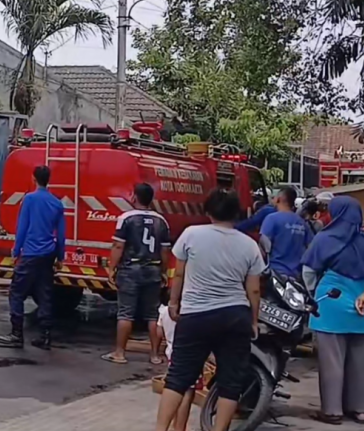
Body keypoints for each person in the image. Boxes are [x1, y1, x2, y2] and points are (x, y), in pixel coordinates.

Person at [155, 188, 265, 431]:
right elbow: (254, 290)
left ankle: (161, 428)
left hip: (196, 315)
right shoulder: (249, 245)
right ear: (237, 213)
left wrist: (174, 304)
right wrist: (254, 321)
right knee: (230, 381)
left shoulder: (191, 235)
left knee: (178, 378)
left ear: (208, 211)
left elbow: (180, 274)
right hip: (235, 316)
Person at [302, 196, 364, 425]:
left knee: (332, 361)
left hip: (330, 304)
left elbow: (308, 273)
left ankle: (333, 411)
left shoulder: (324, 239)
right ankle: (362, 410)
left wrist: (312, 295)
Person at [0, 165, 65, 350]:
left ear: (33, 178)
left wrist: (16, 251)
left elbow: (22, 227)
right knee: (45, 295)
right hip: (48, 254)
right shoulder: (57, 203)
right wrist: (60, 256)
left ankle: (17, 334)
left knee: (17, 293)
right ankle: (45, 336)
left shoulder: (29, 199)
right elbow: (62, 234)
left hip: (31, 253)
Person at [103, 182, 171, 365]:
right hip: (153, 270)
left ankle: (119, 353)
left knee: (125, 313)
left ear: (134, 197)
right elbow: (165, 250)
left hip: (130, 269)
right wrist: (163, 271)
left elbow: (118, 245)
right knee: (152, 315)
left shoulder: (126, 218)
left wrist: (111, 268)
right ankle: (155, 355)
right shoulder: (161, 221)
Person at [156, 304, 194, 431]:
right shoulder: (190, 311)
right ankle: (180, 427)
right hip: (189, 354)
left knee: (174, 386)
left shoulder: (164, 311)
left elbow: (159, 332)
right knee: (187, 391)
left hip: (171, 352)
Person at [259, 186, 311, 279]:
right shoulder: (302, 222)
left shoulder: (271, 219)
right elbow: (310, 248)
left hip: (276, 274)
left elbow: (264, 247)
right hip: (296, 276)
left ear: (279, 199)